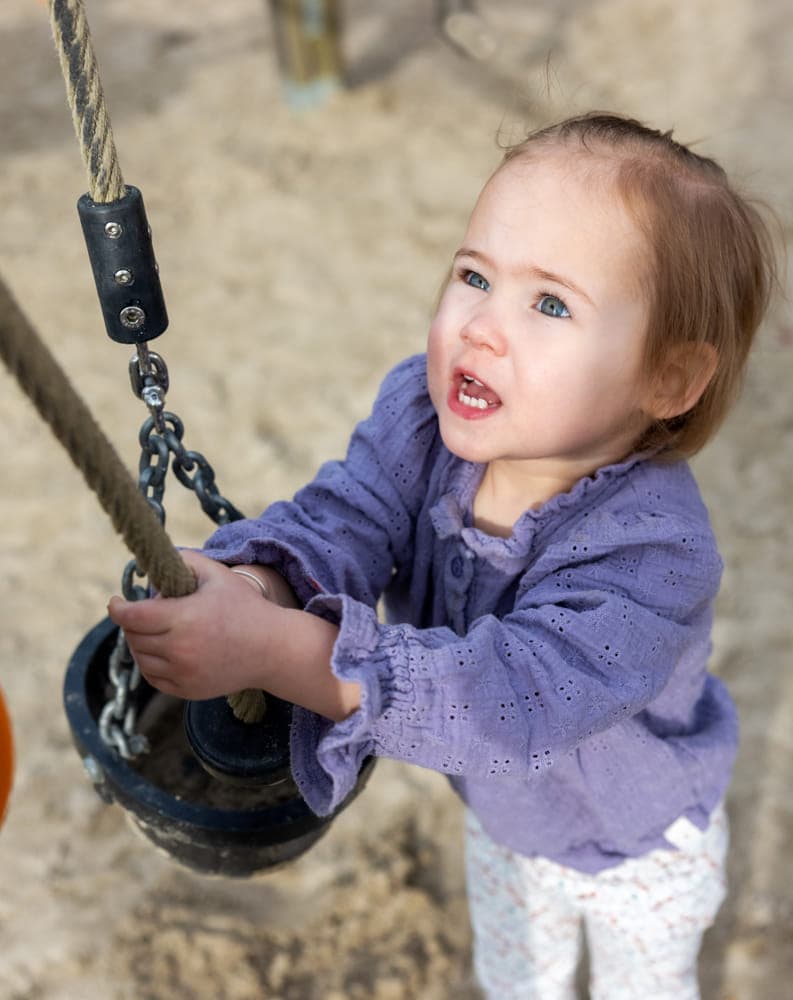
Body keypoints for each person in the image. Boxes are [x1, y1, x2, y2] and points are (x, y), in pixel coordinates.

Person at [108, 112, 777, 999]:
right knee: (516, 978)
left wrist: (277, 651)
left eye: (549, 304)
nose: (482, 327)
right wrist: (255, 585)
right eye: (473, 276)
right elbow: (345, 517)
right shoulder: (422, 424)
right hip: (503, 821)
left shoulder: (655, 552)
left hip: (638, 846)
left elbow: (511, 697)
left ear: (668, 379)